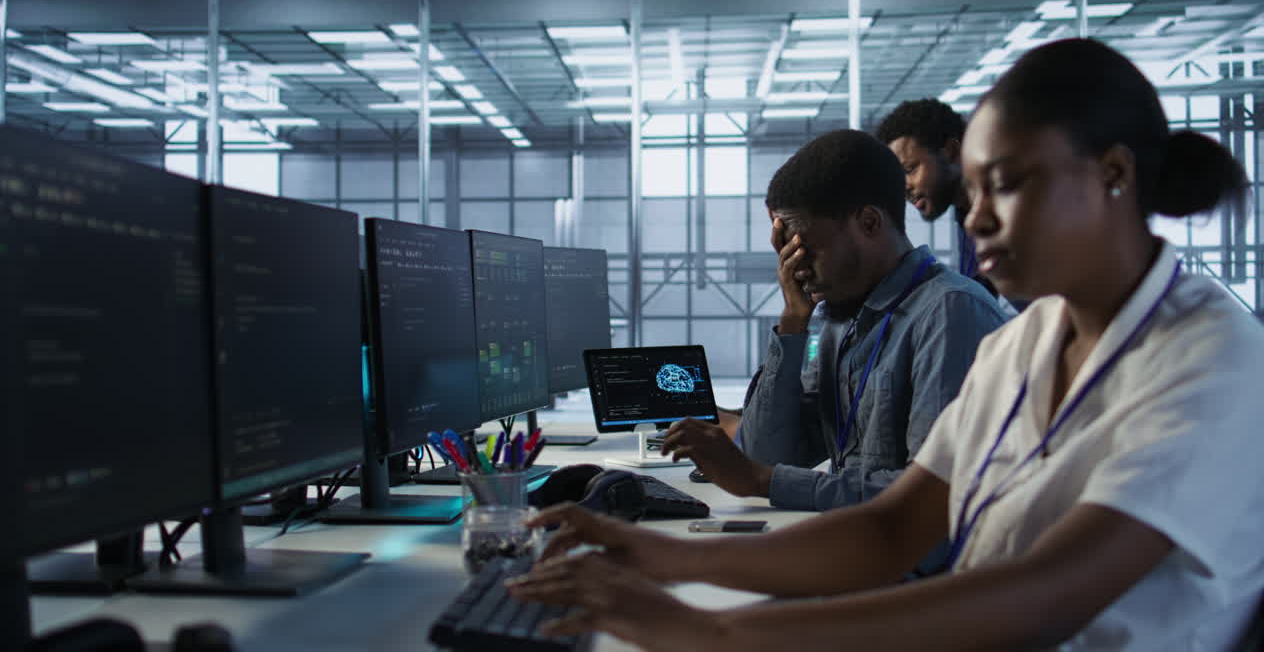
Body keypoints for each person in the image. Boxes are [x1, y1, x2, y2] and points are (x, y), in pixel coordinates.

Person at [508, 38, 1264, 650]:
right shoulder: (1025, 344)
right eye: (973, 190)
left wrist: (712, 629)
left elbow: (1046, 595)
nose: (974, 219)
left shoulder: (1213, 359)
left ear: (1114, 174)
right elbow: (892, 528)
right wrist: (653, 554)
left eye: (1006, 183)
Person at [658, 129, 1008, 518]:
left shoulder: (949, 314)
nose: (794, 268)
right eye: (787, 251)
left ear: (870, 222)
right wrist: (792, 324)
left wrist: (762, 481)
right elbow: (764, 454)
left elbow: (930, 502)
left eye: (806, 248)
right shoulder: (840, 322)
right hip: (854, 540)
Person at [878, 98, 1009, 302]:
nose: (904, 187)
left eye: (910, 169)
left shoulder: (1008, 208)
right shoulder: (964, 215)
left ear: (951, 152)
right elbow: (980, 296)